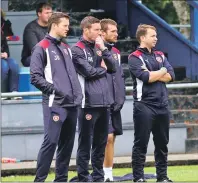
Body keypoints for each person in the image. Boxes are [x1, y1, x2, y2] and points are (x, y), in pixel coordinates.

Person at [30, 12, 82, 182]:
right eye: (65, 25)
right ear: (54, 25)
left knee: (67, 146)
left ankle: (61, 180)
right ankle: (39, 180)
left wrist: (77, 95)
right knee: (51, 142)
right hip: (55, 103)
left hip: (72, 104)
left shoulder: (66, 48)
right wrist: (56, 91)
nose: (68, 28)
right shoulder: (41, 47)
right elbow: (35, 77)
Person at [71, 16, 116, 182]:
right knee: (85, 143)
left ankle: (98, 176)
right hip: (87, 103)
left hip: (104, 103)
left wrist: (104, 49)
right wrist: (102, 69)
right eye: (96, 30)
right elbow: (88, 72)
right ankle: (83, 177)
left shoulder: (99, 47)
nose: (99, 33)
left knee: (100, 143)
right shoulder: (76, 49)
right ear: (86, 30)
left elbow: (113, 68)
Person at [128, 24, 175, 182]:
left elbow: (171, 75)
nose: (156, 38)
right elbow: (146, 78)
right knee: (141, 144)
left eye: (156, 36)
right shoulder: (134, 57)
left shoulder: (160, 54)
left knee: (162, 144)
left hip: (162, 105)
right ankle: (139, 178)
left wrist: (156, 73)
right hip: (144, 106)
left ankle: (162, 177)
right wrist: (162, 71)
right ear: (142, 38)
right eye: (153, 36)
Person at [100, 19, 126, 182]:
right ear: (102, 33)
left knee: (112, 138)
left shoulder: (116, 51)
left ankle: (108, 174)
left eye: (116, 31)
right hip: (100, 102)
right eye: (113, 31)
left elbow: (119, 76)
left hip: (115, 102)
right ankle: (100, 173)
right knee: (106, 137)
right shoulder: (95, 50)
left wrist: (120, 97)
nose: (116, 34)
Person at [21, 2, 52, 67]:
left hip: (51, 55)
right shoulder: (30, 28)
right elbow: (36, 49)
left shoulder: (53, 26)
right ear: (39, 14)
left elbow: (64, 44)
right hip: (31, 57)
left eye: (50, 13)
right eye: (47, 13)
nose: (49, 15)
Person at [1, 9, 21, 99]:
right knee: (4, 66)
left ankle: (14, 92)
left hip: (3, 57)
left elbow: (6, 46)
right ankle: (3, 93)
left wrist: (6, 54)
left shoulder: (2, 32)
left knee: (13, 64)